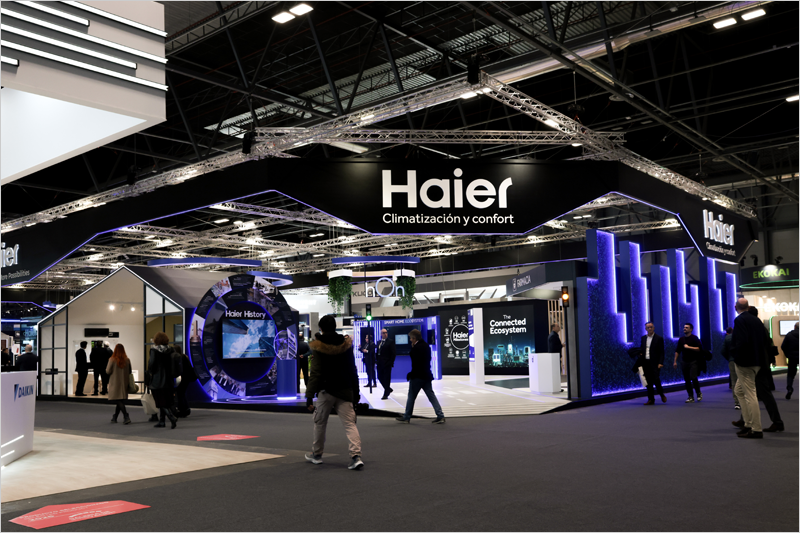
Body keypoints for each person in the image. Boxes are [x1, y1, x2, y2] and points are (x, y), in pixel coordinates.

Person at [304, 315, 363, 470]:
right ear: (335, 327)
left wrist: (309, 396)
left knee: (320, 423)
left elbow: (316, 372)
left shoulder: (318, 346)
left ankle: (317, 454)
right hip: (345, 390)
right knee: (350, 424)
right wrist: (356, 393)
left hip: (326, 391)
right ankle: (355, 456)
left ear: (321, 328)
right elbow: (352, 370)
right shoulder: (346, 344)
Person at [740, 307, 783, 432]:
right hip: (761, 363)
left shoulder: (755, 328)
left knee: (757, 393)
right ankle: (744, 419)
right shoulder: (761, 327)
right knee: (746, 392)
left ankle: (776, 422)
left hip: (756, 365)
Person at [730, 298, 765, 439]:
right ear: (748, 307)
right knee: (739, 391)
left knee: (750, 395)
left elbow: (741, 341)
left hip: (745, 363)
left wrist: (736, 357)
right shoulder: (757, 320)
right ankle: (748, 424)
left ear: (735, 307)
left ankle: (756, 429)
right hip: (757, 361)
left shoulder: (739, 320)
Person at [396, 329, 446, 424]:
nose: (410, 340)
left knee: (411, 396)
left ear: (414, 338)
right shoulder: (426, 346)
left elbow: (416, 363)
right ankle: (440, 415)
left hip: (417, 376)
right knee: (431, 396)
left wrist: (411, 374)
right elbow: (427, 360)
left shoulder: (416, 348)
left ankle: (406, 417)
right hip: (426, 375)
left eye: (411, 338)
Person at [147, 332, 179, 429]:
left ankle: (171, 417)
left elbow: (151, 365)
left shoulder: (154, 350)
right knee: (166, 400)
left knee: (160, 401)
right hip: (169, 379)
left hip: (158, 379)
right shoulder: (171, 349)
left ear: (156, 340)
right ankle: (162, 421)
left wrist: (150, 373)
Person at [673, 323, 703, 403]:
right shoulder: (681, 339)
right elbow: (677, 351)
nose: (684, 329)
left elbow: (699, 349)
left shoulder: (694, 338)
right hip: (684, 361)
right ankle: (690, 396)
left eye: (686, 327)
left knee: (693, 377)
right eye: (684, 327)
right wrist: (675, 361)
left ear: (691, 329)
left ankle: (698, 393)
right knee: (687, 380)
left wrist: (688, 347)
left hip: (693, 361)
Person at [638, 322, 666, 405]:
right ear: (645, 329)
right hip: (645, 362)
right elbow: (642, 348)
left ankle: (661, 394)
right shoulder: (643, 338)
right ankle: (651, 399)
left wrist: (660, 362)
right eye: (648, 327)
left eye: (651, 327)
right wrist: (640, 353)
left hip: (655, 363)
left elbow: (661, 352)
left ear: (654, 328)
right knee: (648, 382)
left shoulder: (659, 338)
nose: (649, 329)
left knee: (656, 380)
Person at [105, 344, 132, 424]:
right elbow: (130, 371)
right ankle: (115, 417)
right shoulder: (127, 360)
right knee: (120, 399)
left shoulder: (112, 359)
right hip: (124, 382)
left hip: (115, 382)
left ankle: (126, 416)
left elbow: (107, 371)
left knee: (118, 399)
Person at [173, 345, 197, 418]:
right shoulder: (184, 357)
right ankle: (185, 409)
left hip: (183, 378)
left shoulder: (180, 358)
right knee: (182, 393)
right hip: (187, 378)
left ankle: (183, 410)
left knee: (180, 393)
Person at [721, 327, 739, 410]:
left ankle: (737, 402)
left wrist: (729, 358)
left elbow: (723, 351)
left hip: (732, 361)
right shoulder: (745, 335)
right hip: (744, 361)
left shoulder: (728, 337)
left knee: (734, 381)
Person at [376, 328, 396, 400]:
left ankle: (386, 393)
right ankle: (388, 389)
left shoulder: (390, 342)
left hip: (387, 363)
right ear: (381, 334)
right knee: (379, 377)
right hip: (379, 363)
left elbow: (393, 353)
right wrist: (376, 361)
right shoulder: (379, 342)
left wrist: (390, 362)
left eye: (386, 332)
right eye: (383, 333)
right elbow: (377, 352)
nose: (385, 334)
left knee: (387, 378)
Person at [781, 322, 799, 399]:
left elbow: (783, 346)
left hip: (792, 357)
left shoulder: (789, 335)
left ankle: (789, 388)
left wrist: (787, 355)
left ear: (795, 327)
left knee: (790, 374)